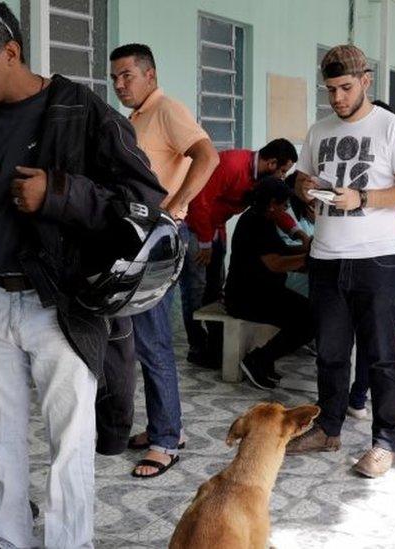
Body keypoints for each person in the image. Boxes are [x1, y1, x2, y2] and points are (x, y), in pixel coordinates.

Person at [0, 2, 166, 547]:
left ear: (11, 51)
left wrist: (60, 194)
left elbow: (144, 202)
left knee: (69, 445)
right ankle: (8, 541)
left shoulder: (81, 110)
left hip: (62, 304)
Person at [286, 44, 395, 479]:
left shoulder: (392, 128)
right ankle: (328, 427)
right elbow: (302, 179)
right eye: (330, 90)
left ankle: (385, 441)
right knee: (329, 353)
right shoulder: (319, 129)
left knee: (381, 355)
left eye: (345, 88)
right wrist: (304, 186)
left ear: (365, 80)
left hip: (378, 259)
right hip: (326, 257)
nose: (337, 98)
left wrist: (362, 198)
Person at [109, 43, 220, 477]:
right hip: (139, 238)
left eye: (128, 76)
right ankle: (167, 424)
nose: (120, 84)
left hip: (160, 239)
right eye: (115, 77)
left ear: (150, 75)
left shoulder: (167, 109)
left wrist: (175, 207)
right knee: (141, 340)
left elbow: (207, 156)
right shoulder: (137, 118)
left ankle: (165, 441)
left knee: (153, 340)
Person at [183, 138, 302, 368]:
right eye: (283, 171)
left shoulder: (262, 178)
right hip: (197, 227)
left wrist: (297, 232)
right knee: (195, 289)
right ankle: (197, 346)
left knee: (215, 287)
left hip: (217, 227)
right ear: (272, 163)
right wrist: (206, 244)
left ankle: (216, 347)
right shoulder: (232, 164)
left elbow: (275, 207)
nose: (282, 177)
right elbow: (200, 201)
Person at [225, 178, 313, 389]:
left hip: (263, 292)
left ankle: (262, 360)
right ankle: (258, 360)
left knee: (310, 314)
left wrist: (310, 249)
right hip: (248, 297)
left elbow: (281, 251)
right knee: (310, 319)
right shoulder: (255, 223)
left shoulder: (262, 218)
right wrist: (311, 260)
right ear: (272, 203)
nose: (285, 210)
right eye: (283, 205)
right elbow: (275, 263)